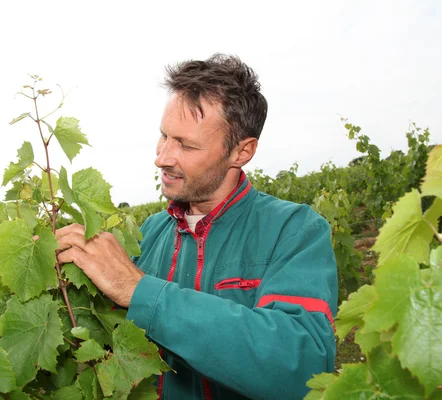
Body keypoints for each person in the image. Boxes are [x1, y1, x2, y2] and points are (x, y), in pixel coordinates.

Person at [55, 54, 338, 400]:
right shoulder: (149, 234)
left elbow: (301, 365)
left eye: (186, 145)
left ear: (241, 152)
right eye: (164, 137)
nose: (162, 157)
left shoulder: (294, 231)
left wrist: (141, 292)